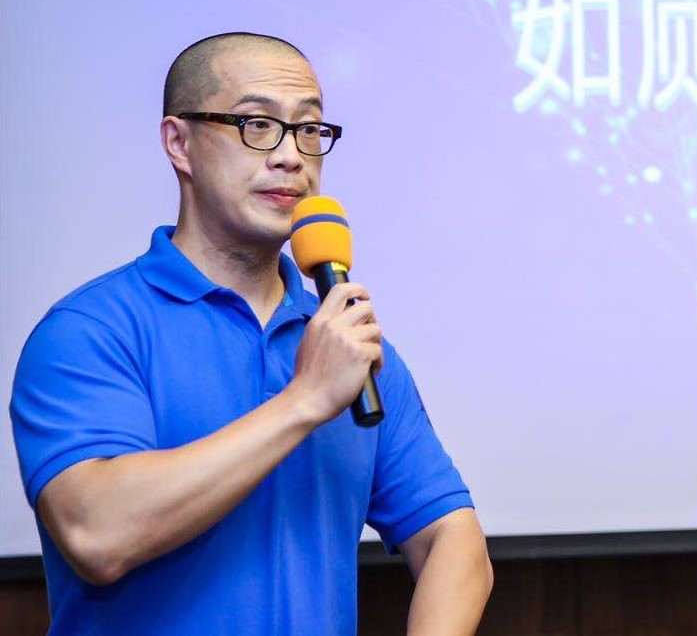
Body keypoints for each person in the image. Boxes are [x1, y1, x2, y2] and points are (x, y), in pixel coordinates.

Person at [9, 33, 492, 634]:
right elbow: (96, 535)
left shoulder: (345, 341)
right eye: (257, 125)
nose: (291, 156)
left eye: (309, 130)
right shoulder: (92, 331)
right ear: (179, 143)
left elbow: (452, 539)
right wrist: (302, 401)